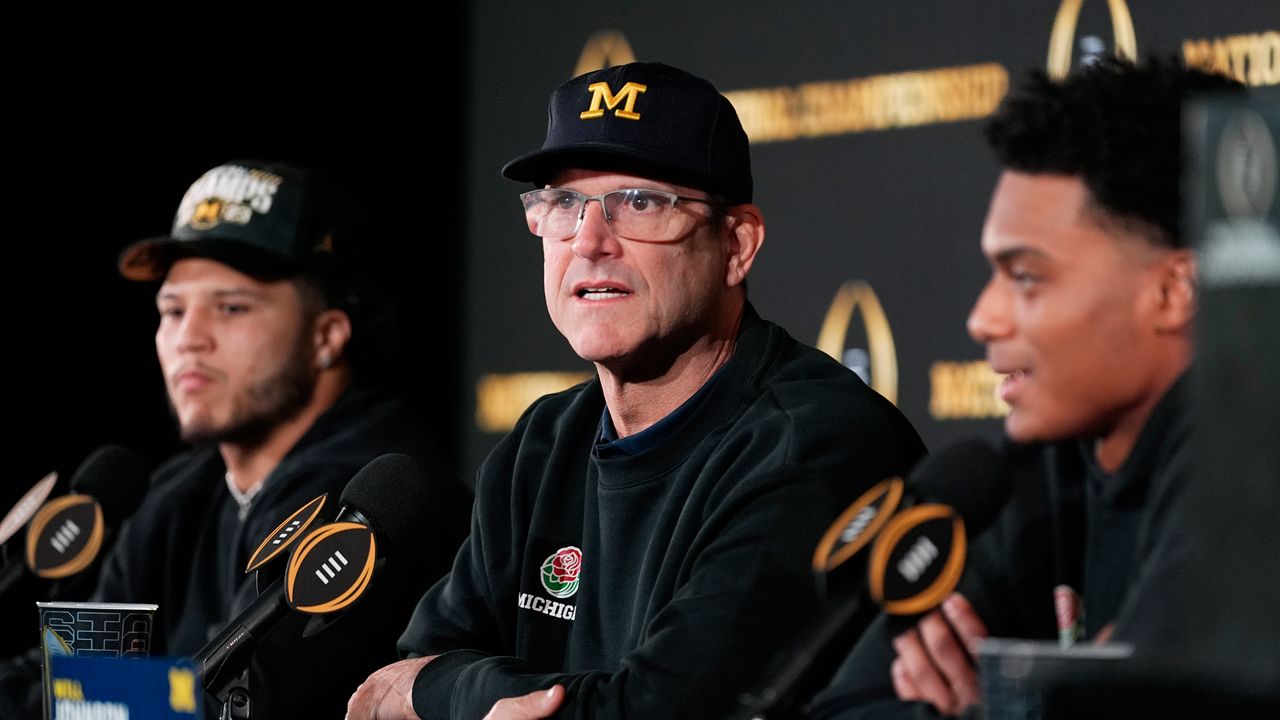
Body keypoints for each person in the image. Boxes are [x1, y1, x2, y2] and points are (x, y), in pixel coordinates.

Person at [346, 62, 927, 720]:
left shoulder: (816, 443)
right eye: (564, 204)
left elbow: (660, 711)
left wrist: (451, 690)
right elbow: (405, 677)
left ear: (737, 245)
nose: (590, 242)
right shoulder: (543, 443)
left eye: (640, 203)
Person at [805, 57, 1245, 719]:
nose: (983, 317)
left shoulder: (1248, 477)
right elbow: (845, 707)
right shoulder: (1030, 475)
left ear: (1173, 291)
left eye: (1026, 277)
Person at [2, 159, 469, 719]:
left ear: (326, 336)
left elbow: (231, 697)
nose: (188, 338)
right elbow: (71, 665)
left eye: (230, 308)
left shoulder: (379, 493)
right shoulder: (177, 492)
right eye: (172, 310)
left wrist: (71, 696)